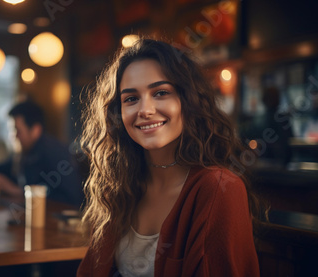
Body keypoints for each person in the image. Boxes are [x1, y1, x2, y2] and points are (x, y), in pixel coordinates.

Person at [77, 38, 264, 276]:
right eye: (131, 99)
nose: (145, 110)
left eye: (161, 92)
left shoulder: (219, 188)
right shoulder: (116, 187)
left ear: (188, 101)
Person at [0, 101, 84, 207]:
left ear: (35, 130)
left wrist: (20, 192)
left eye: (17, 131)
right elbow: (3, 168)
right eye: (12, 131)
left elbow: (71, 199)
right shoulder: (25, 151)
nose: (14, 136)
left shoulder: (55, 153)